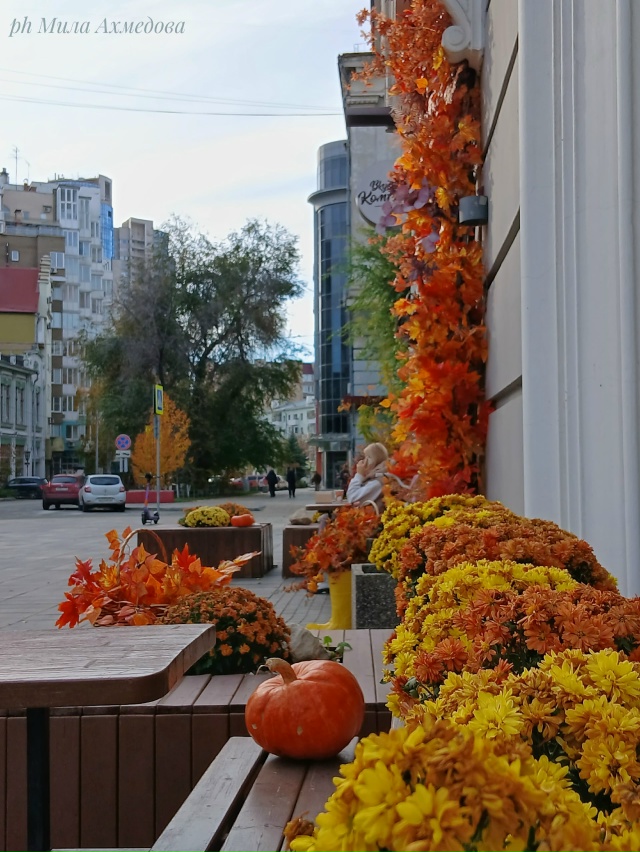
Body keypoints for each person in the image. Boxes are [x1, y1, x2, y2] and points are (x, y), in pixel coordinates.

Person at [346, 443, 389, 510]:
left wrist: (359, 475)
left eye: (368, 457)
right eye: (365, 457)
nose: (365, 461)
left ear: (376, 460)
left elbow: (352, 497)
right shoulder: (374, 476)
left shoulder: (378, 481)